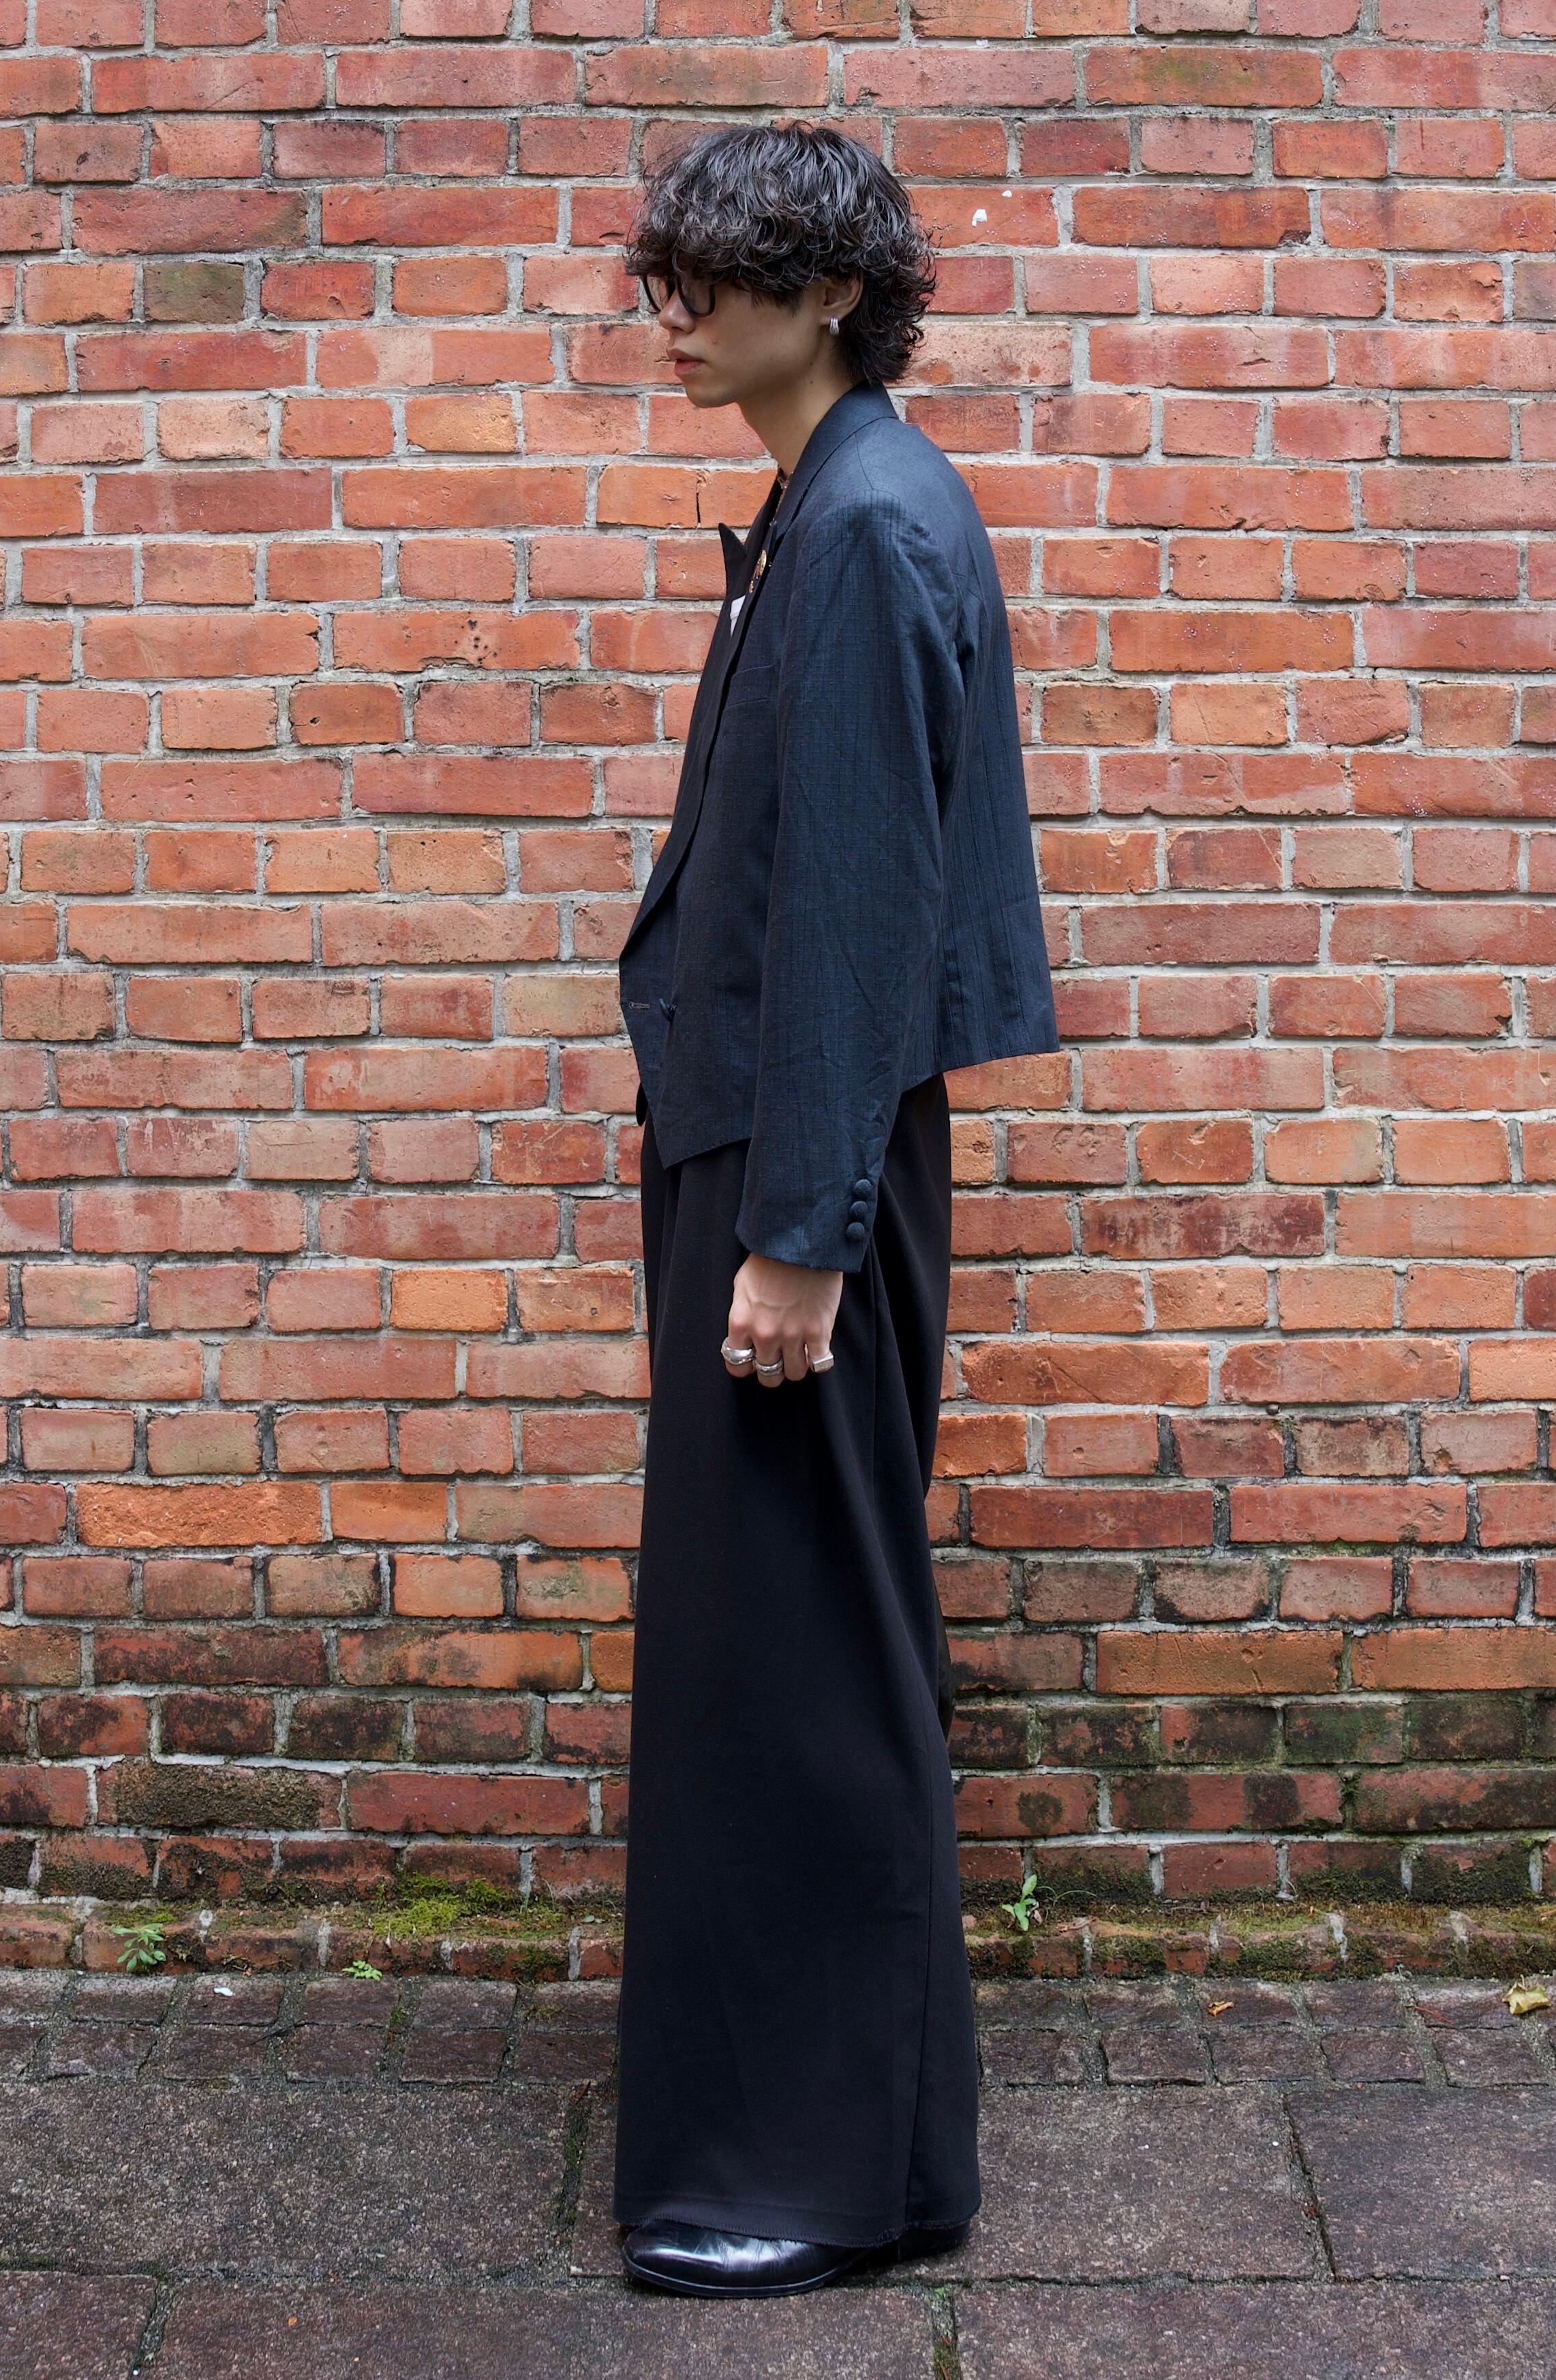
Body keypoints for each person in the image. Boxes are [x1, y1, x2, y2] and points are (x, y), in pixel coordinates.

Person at [611, 122, 1061, 2299]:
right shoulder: (830, 507)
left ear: (832, 295)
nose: (676, 314)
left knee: (804, 1656)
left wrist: (799, 1236)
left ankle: (820, 2171)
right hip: (771, 1144)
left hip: (806, 1175)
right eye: (666, 277)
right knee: (766, 1645)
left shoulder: (869, 525)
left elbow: (867, 915)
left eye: (721, 278)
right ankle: (816, 2143)